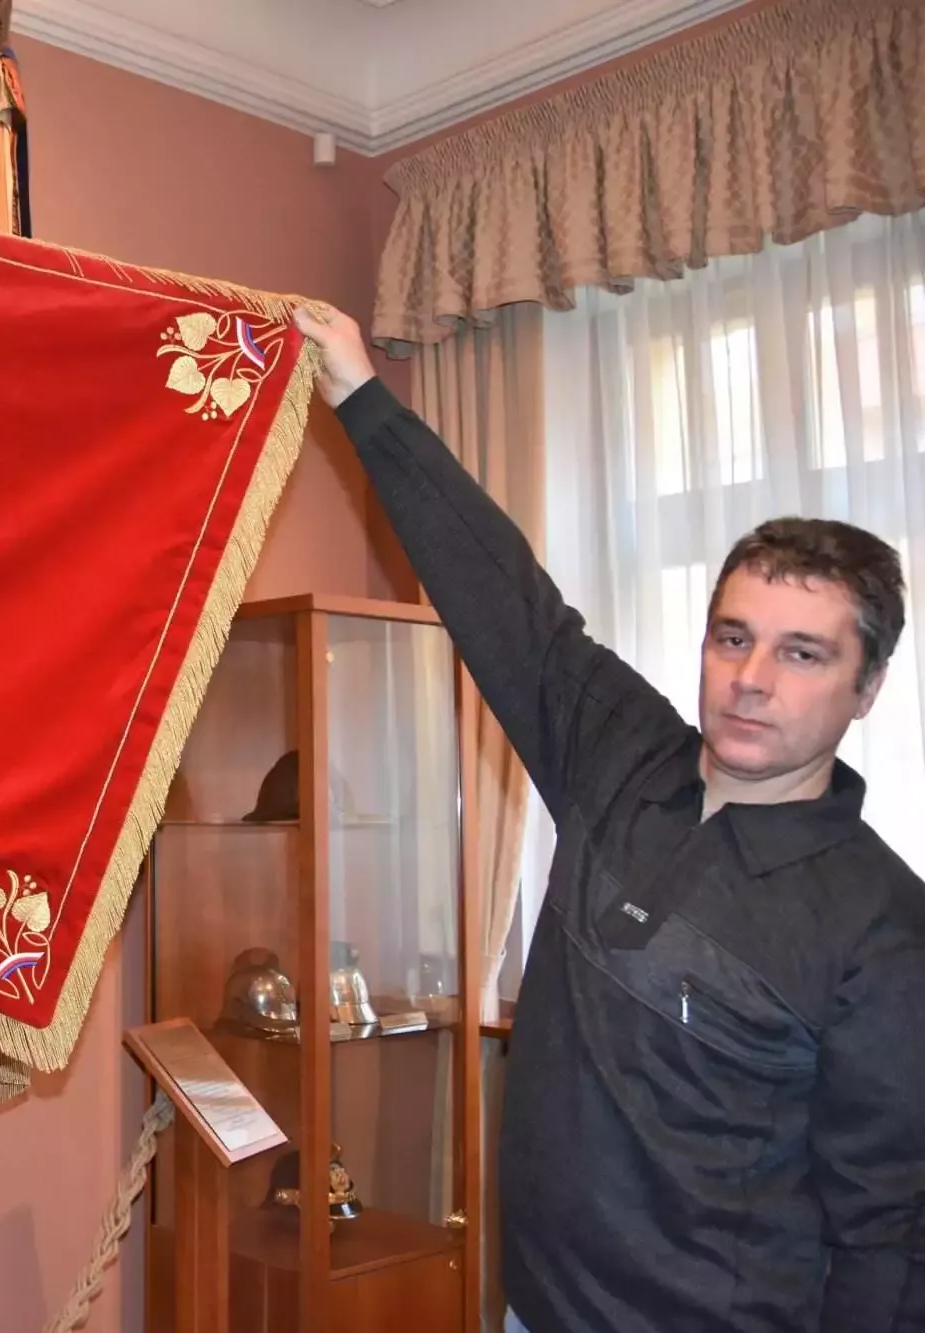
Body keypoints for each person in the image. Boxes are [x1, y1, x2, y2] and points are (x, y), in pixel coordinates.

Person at [291, 303, 925, 1333]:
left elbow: (885, 1232)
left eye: (802, 653)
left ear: (866, 689)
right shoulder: (621, 755)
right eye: (733, 638)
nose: (751, 679)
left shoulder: (883, 925)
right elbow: (507, 600)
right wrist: (359, 396)